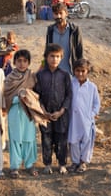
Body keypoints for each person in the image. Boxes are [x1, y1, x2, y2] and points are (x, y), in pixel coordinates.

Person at [34, 43, 72, 175]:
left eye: (57, 56)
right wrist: (43, 110)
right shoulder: (40, 75)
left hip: (61, 114)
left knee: (61, 140)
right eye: (51, 56)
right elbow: (36, 95)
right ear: (46, 57)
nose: (54, 59)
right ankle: (47, 164)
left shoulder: (65, 75)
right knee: (46, 139)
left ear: (61, 58)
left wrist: (61, 111)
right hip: (45, 114)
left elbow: (69, 95)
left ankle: (62, 164)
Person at [3, 49, 39, 178]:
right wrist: (18, 98)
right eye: (19, 61)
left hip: (28, 113)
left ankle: (29, 164)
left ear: (28, 62)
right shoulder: (9, 78)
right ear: (14, 62)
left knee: (29, 139)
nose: (22, 64)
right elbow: (6, 97)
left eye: (25, 61)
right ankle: (15, 166)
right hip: (15, 111)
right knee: (15, 139)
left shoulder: (32, 77)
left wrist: (28, 96)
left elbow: (37, 95)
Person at [68, 59, 100, 173]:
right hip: (73, 119)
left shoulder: (92, 87)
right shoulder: (71, 84)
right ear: (74, 71)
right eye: (77, 71)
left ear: (87, 71)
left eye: (83, 71)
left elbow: (96, 103)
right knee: (73, 141)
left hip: (87, 120)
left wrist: (92, 114)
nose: (80, 74)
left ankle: (83, 162)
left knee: (86, 140)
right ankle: (75, 162)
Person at [45, 2, 84, 75]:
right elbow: (46, 53)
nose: (58, 16)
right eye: (56, 14)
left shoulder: (74, 30)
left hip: (70, 74)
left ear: (66, 13)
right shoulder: (50, 30)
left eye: (60, 13)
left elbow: (79, 52)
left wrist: (80, 72)